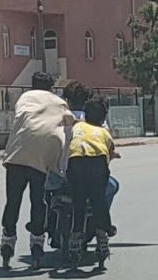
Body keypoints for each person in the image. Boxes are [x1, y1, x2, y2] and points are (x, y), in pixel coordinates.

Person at [0, 72, 74, 269]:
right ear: (51, 88)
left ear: (33, 86)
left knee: (13, 200)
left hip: (17, 152)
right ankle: (37, 244)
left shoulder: (25, 97)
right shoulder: (60, 102)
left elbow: (21, 116)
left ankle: (7, 240)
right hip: (43, 153)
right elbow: (69, 123)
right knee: (38, 200)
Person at [47, 82, 119, 237]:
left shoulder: (59, 119)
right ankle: (100, 224)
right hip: (91, 175)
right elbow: (107, 151)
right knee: (111, 187)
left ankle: (47, 223)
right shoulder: (98, 124)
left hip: (61, 175)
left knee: (44, 186)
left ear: (66, 100)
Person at [66, 97, 117, 265]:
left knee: (78, 204)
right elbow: (109, 153)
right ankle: (103, 235)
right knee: (98, 202)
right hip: (97, 163)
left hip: (76, 163)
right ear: (103, 119)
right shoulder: (104, 132)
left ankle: (75, 239)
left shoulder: (77, 126)